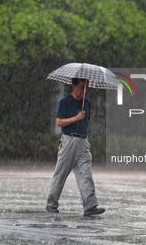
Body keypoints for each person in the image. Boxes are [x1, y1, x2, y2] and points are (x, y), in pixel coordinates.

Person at [46, 78, 105, 216]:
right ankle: (51, 204)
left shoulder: (87, 103)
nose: (85, 90)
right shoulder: (64, 102)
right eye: (82, 87)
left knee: (86, 175)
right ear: (73, 86)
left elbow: (86, 121)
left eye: (87, 87)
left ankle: (90, 206)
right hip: (68, 140)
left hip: (83, 142)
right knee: (60, 174)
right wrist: (76, 118)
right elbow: (59, 122)